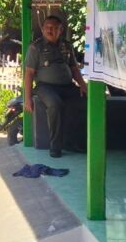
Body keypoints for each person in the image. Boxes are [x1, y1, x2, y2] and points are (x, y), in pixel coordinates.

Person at [23, 15, 88, 158]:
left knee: (85, 101)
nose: (49, 30)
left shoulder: (67, 45)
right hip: (45, 87)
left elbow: (74, 68)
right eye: (47, 27)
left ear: (60, 30)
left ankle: (75, 143)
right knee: (55, 104)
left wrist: (83, 85)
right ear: (42, 29)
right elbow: (29, 73)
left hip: (67, 86)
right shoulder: (35, 47)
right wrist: (27, 98)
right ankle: (55, 146)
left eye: (53, 28)